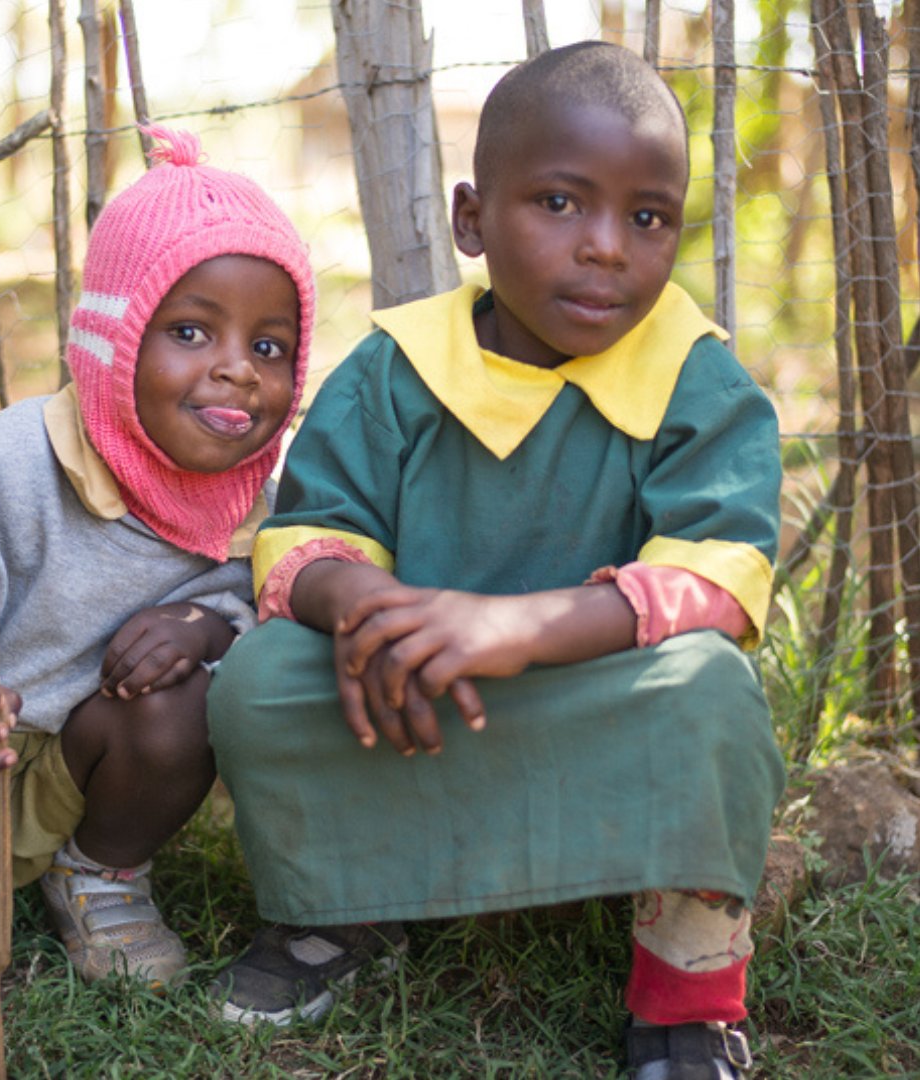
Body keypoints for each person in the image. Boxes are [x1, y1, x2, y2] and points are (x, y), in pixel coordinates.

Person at [207, 42, 783, 1079]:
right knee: (257, 681)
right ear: (473, 218)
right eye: (561, 204)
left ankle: (685, 996)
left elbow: (719, 577)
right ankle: (345, 910)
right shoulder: (396, 369)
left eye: (646, 217)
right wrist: (368, 604)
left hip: (589, 713)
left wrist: (517, 628)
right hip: (412, 708)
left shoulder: (699, 383)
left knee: (711, 689)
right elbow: (305, 539)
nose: (606, 248)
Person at [0, 125, 314, 989]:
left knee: (182, 703)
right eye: (192, 333)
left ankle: (98, 871)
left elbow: (256, 601)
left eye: (268, 347)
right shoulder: (1, 465)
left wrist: (205, 624)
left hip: (58, 790)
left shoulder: (248, 503)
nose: (237, 372)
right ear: (115, 343)